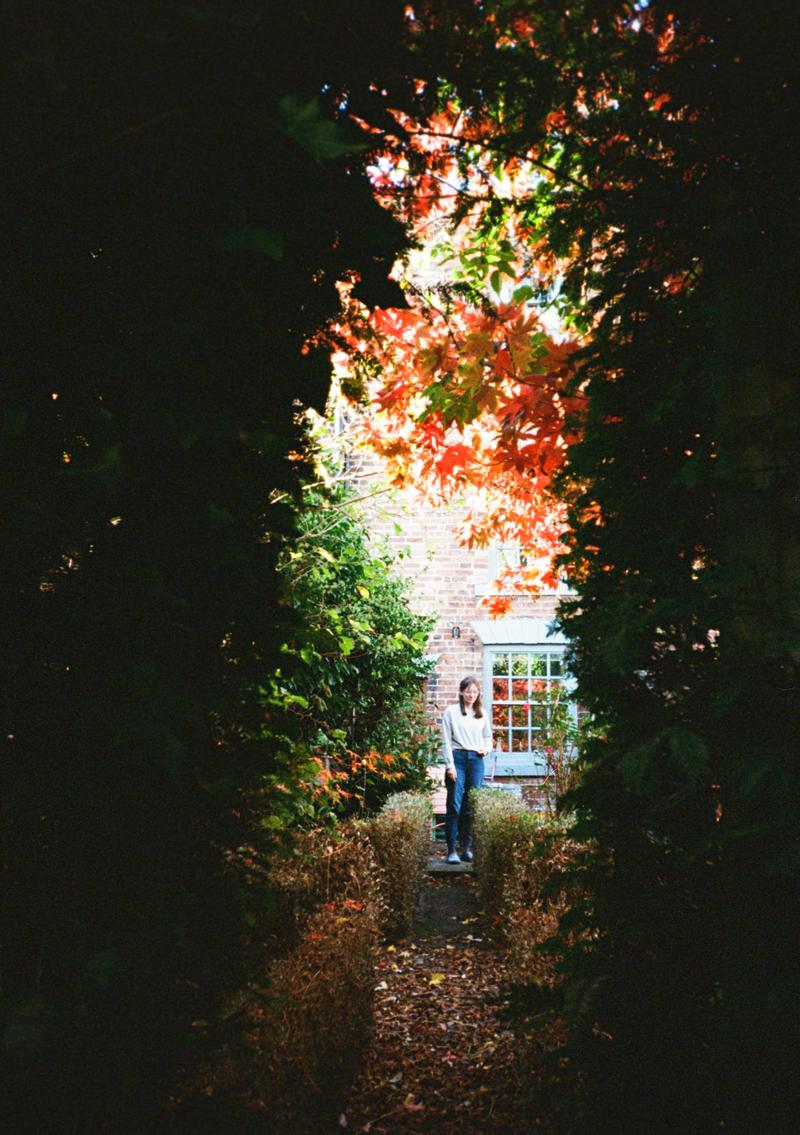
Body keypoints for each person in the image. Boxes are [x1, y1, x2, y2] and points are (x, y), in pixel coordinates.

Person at [441, 675, 491, 864]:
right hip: (458, 759)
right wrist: (449, 766)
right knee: (454, 804)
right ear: (462, 692)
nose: (471, 694)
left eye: (475, 691)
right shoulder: (451, 712)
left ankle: (466, 848)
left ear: (478, 693)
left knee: (470, 806)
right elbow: (445, 740)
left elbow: (487, 737)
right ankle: (451, 850)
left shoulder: (482, 714)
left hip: (476, 761)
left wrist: (486, 749)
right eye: (468, 691)